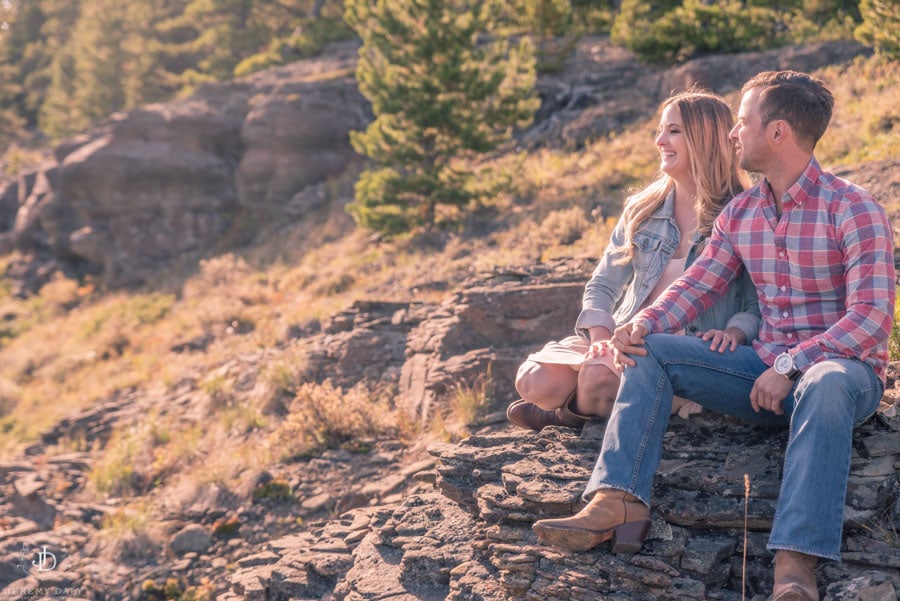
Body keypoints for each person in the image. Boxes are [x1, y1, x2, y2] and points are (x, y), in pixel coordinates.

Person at [531, 71, 895, 601]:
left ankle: (795, 565)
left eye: (743, 122)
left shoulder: (854, 208)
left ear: (777, 132)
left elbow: (871, 320)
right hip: (760, 370)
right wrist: (644, 324)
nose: (732, 133)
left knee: (826, 381)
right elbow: (698, 286)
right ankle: (619, 498)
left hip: (843, 373)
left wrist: (791, 363)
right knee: (653, 351)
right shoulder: (741, 213)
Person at [507, 89, 758, 432]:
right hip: (623, 337)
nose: (659, 141)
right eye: (660, 130)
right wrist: (599, 339)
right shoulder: (643, 208)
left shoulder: (744, 212)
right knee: (533, 380)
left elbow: (759, 303)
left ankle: (564, 417)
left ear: (705, 139)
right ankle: (592, 403)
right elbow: (602, 284)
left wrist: (734, 333)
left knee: (596, 379)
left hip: (682, 349)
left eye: (673, 131)